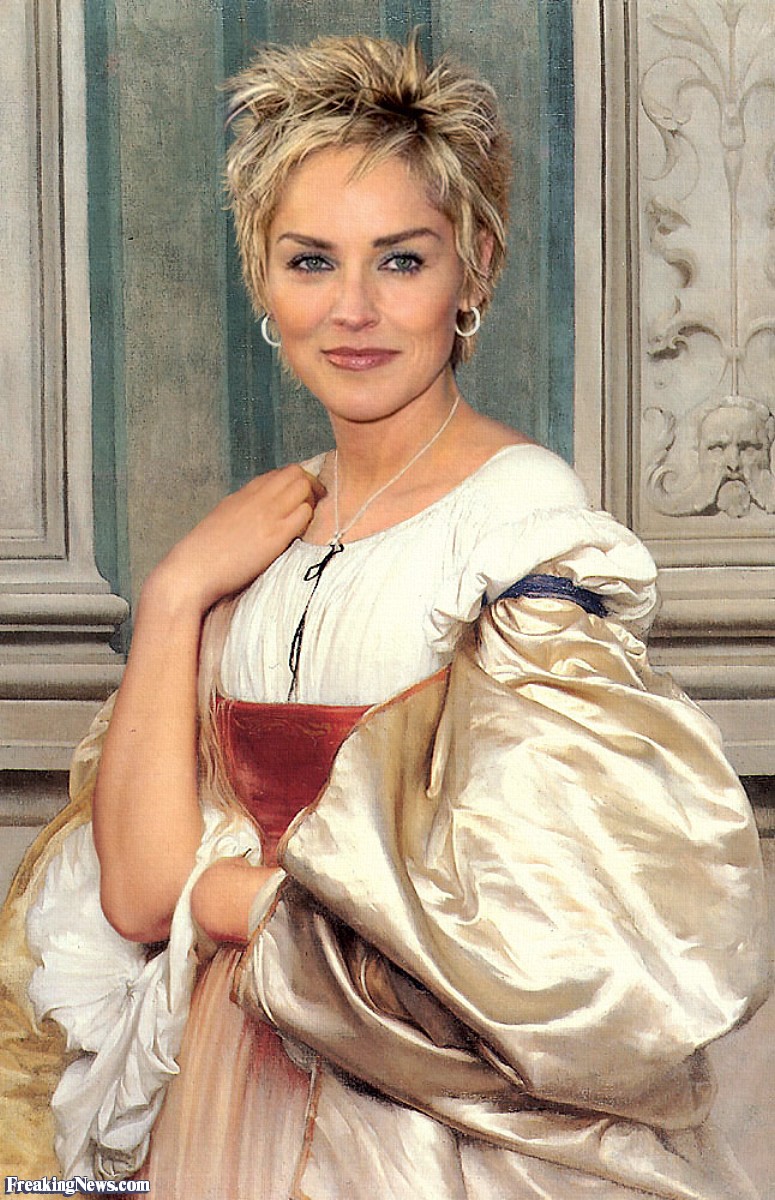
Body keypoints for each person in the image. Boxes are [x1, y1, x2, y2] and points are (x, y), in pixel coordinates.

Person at [0, 33, 770, 1200]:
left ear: (476, 267)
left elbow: (534, 948)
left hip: (422, 1128)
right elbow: (141, 893)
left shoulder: (517, 524)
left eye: (401, 261)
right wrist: (173, 595)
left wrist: (236, 900)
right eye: (310, 262)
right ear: (262, 280)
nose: (352, 310)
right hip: (229, 1082)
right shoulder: (261, 531)